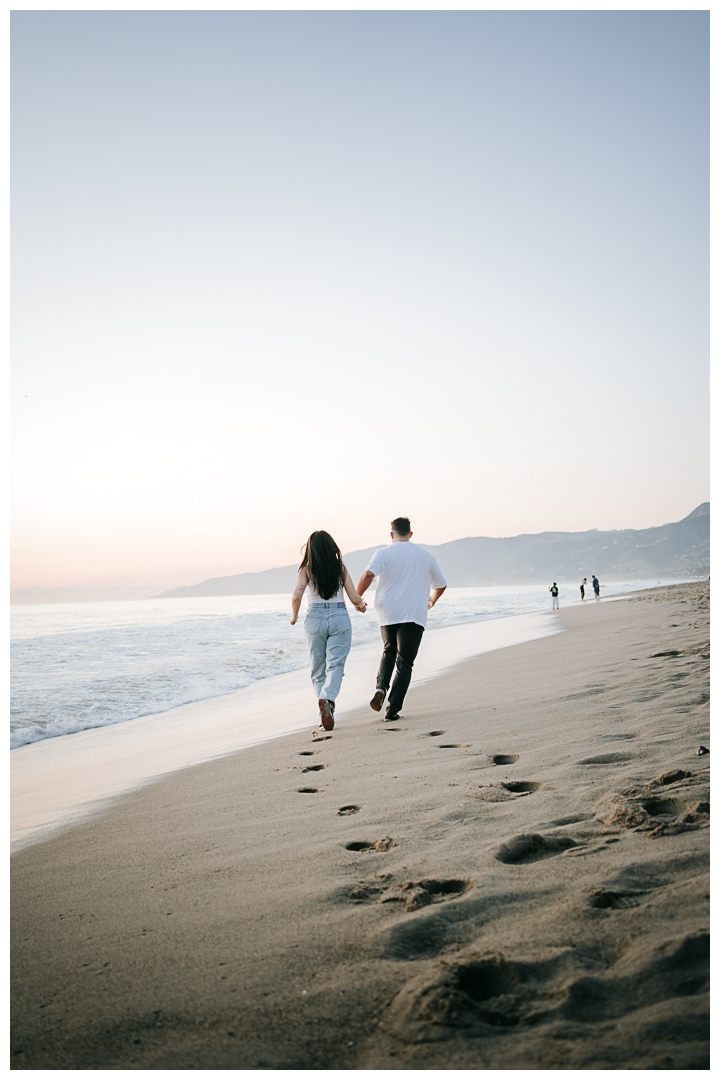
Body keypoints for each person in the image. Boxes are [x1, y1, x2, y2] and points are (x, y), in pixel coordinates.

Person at [356, 517, 447, 722]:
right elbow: (441, 584)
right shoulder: (425, 556)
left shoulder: (383, 553)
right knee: (404, 662)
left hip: (388, 611)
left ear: (391, 534)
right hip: (414, 613)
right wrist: (431, 600)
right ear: (410, 534)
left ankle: (381, 688)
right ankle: (392, 710)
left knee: (389, 650)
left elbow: (368, 575)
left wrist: (357, 598)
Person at [291, 531, 366, 731]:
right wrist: (362, 605)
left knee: (317, 669)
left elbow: (296, 596)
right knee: (335, 666)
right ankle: (327, 699)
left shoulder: (306, 570)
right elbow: (353, 596)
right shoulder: (340, 568)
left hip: (314, 619)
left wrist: (295, 616)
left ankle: (324, 709)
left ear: (310, 549)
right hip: (339, 618)